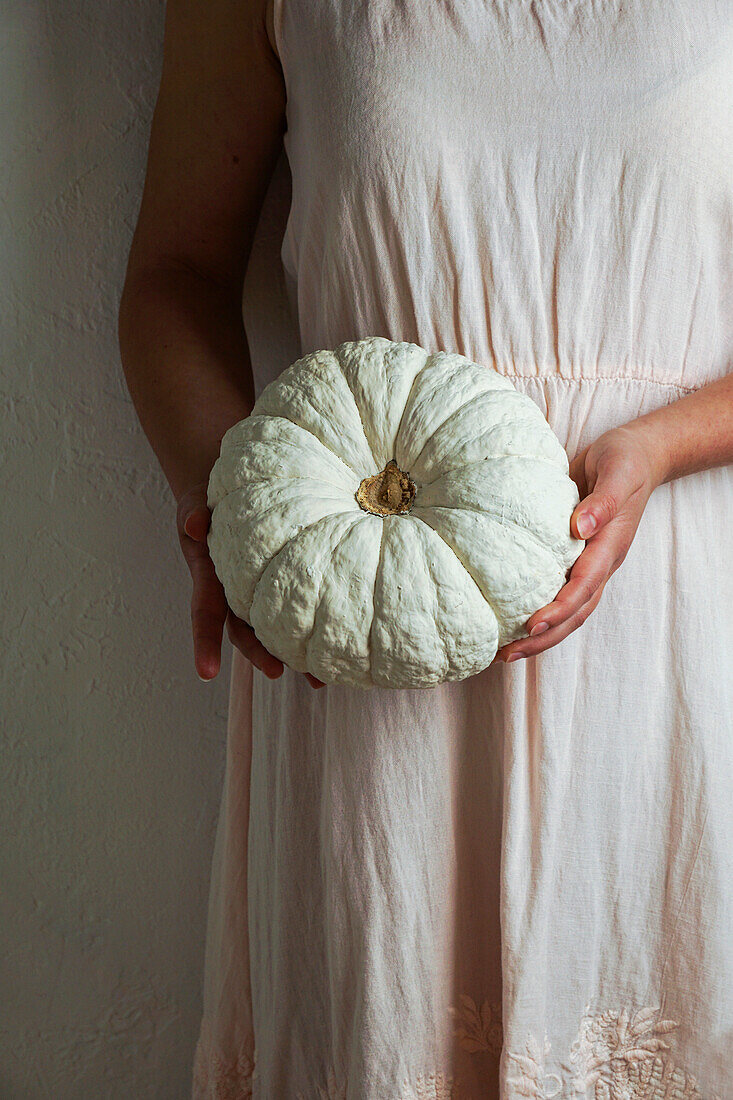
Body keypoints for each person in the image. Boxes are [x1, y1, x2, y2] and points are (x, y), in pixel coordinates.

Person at [117, 0, 733, 1095]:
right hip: (364, 629)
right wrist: (238, 506)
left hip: (663, 627)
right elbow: (174, 276)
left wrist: (665, 440)